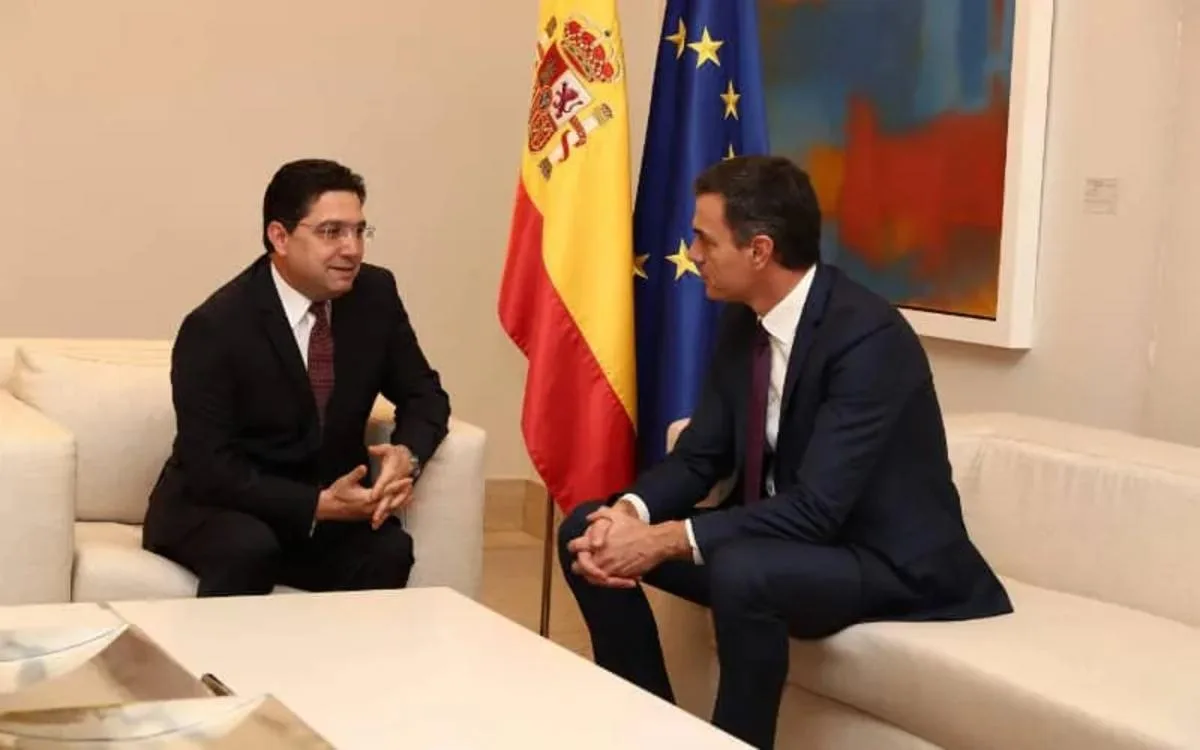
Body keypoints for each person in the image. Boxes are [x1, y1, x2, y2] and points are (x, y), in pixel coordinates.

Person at [558, 155, 1012, 749]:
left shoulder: (868, 338)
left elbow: (818, 509)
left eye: (705, 239)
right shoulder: (744, 321)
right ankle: (654, 731)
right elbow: (700, 456)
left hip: (883, 560)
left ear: (760, 251)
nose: (693, 254)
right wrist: (629, 515)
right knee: (585, 531)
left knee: (744, 572)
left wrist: (665, 539)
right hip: (788, 540)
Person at [143, 158, 450, 597]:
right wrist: (316, 505)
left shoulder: (375, 297)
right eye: (331, 232)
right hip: (223, 506)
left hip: (325, 509)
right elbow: (211, 466)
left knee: (388, 550)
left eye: (359, 231)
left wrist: (407, 455)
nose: (352, 249)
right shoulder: (217, 326)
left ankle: (351, 647)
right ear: (280, 237)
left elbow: (425, 395)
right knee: (249, 548)